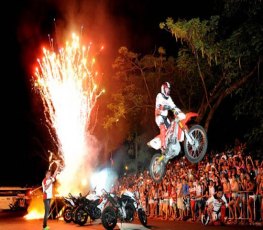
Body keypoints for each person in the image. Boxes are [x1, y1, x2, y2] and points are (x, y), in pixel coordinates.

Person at [155, 81, 185, 153]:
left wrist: (179, 111)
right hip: (159, 116)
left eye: (169, 90)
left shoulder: (169, 98)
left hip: (165, 118)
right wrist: (166, 107)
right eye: (167, 89)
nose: (168, 91)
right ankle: (163, 147)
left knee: (171, 130)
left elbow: (174, 106)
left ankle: (172, 145)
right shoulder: (159, 95)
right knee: (162, 129)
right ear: (163, 89)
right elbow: (159, 106)